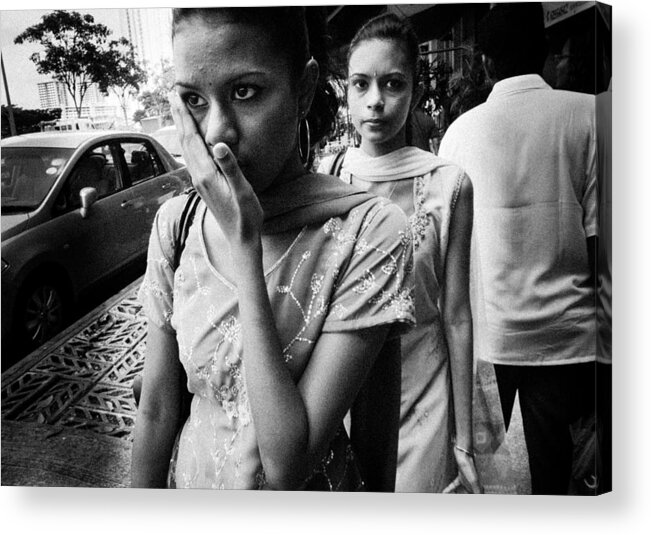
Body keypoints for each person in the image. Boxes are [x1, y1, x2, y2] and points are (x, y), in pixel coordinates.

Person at [131, 7, 415, 491]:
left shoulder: (369, 233)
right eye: (195, 100)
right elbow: (156, 413)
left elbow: (285, 465)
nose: (218, 130)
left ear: (303, 89)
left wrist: (245, 247)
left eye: (245, 92)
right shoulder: (176, 225)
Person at [438, 3, 598, 495]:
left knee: (475, 474)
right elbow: (600, 240)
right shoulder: (589, 116)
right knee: (555, 475)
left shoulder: (459, 133)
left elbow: (445, 252)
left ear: (484, 63)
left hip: (489, 338)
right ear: (547, 52)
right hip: (567, 336)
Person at [320, 13, 482, 494]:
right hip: (340, 400)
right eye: (360, 84)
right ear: (345, 92)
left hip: (424, 403)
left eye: (392, 84)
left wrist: (465, 439)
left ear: (414, 89)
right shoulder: (329, 176)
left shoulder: (449, 185)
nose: (375, 101)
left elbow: (456, 316)